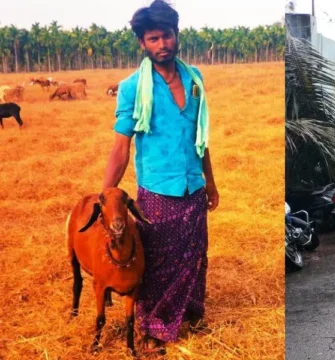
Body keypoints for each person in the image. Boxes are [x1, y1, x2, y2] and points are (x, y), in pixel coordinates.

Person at [103, 0, 218, 353]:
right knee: (157, 261)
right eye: (153, 39)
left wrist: (210, 182)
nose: (162, 44)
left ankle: (190, 313)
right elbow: (122, 147)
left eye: (166, 36)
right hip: (157, 188)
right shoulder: (132, 87)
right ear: (142, 43)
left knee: (195, 254)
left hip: (192, 185)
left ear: (176, 35)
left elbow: (200, 137)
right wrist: (105, 196)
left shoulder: (194, 78)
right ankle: (152, 327)